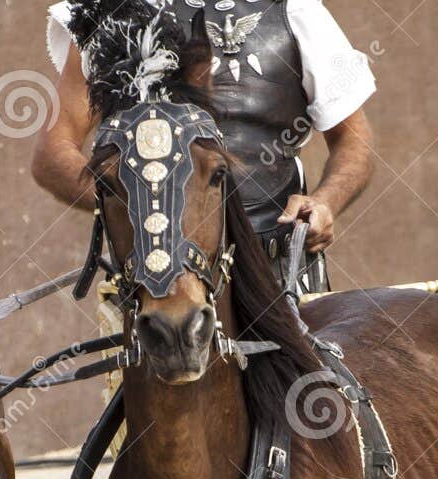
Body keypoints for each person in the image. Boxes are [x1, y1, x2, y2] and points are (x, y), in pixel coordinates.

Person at [34, 0, 376, 294]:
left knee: (322, 370)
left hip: (276, 270)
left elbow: (353, 140)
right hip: (158, 275)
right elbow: (54, 151)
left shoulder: (293, 9)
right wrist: (132, 206)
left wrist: (325, 202)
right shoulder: (108, 13)